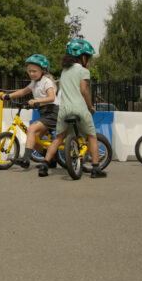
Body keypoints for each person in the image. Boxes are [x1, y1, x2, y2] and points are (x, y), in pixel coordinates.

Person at [37, 39, 106, 178]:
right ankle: (95, 169)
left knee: (58, 138)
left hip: (63, 110)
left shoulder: (64, 71)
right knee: (92, 136)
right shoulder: (83, 70)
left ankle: (45, 164)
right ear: (83, 57)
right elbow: (84, 90)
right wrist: (90, 105)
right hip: (79, 108)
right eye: (89, 58)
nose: (90, 62)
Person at [0, 54, 59, 169]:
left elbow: (51, 97)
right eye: (29, 71)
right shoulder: (34, 83)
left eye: (34, 71)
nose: (31, 73)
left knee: (31, 130)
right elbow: (23, 92)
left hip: (52, 112)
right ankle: (51, 159)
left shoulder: (46, 81)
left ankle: (26, 159)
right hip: (44, 112)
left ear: (43, 70)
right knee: (34, 139)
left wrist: (37, 101)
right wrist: (8, 96)